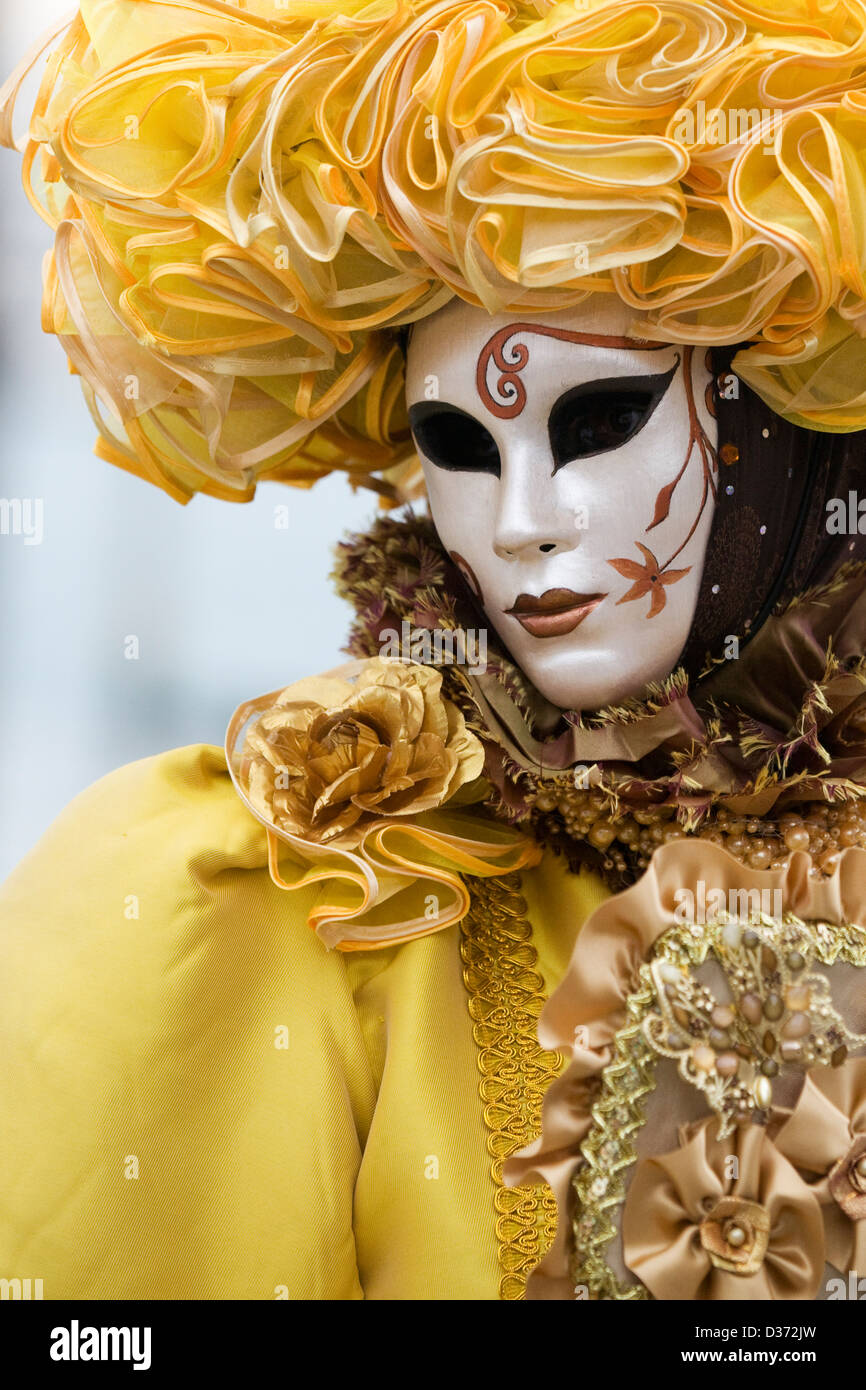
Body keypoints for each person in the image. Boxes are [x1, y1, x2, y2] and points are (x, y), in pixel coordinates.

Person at [2, 0, 866, 1301]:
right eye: (457, 444)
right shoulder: (265, 892)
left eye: (601, 415)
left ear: (797, 419)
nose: (521, 523)